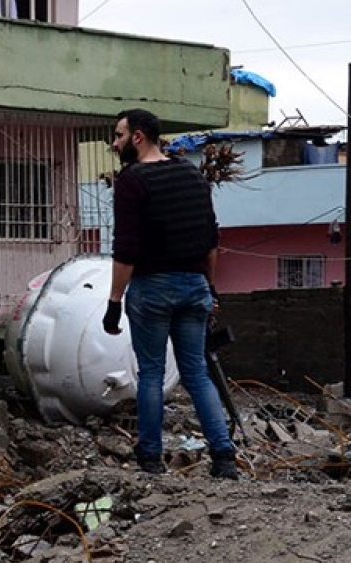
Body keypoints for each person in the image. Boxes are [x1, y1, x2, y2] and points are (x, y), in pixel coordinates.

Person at [102, 108, 238, 480]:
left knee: (151, 374)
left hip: (153, 289)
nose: (115, 144)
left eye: (119, 136)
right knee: (196, 372)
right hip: (194, 286)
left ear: (139, 137)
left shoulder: (132, 181)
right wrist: (208, 287)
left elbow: (126, 249)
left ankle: (149, 458)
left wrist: (113, 303)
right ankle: (224, 457)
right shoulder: (192, 175)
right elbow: (211, 239)